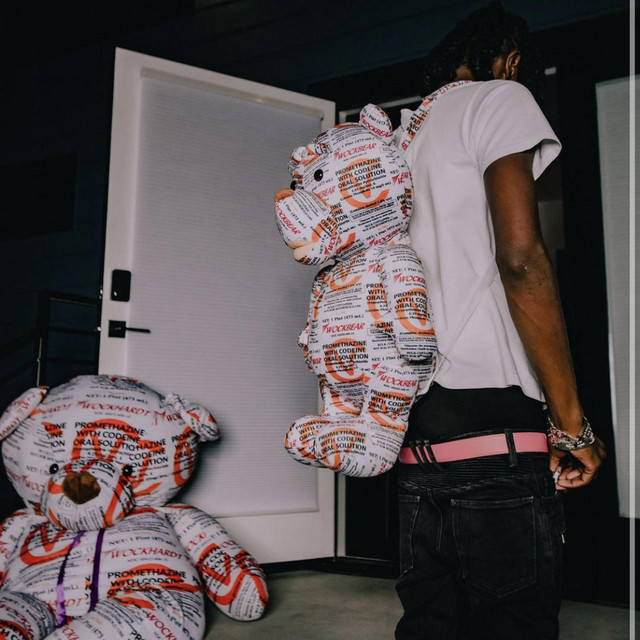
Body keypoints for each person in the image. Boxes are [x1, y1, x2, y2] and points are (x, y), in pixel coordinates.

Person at [393, 3, 606, 639]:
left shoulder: (398, 138)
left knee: (431, 623)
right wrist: (571, 424)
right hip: (494, 430)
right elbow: (521, 259)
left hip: (412, 428)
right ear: (510, 60)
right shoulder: (498, 98)